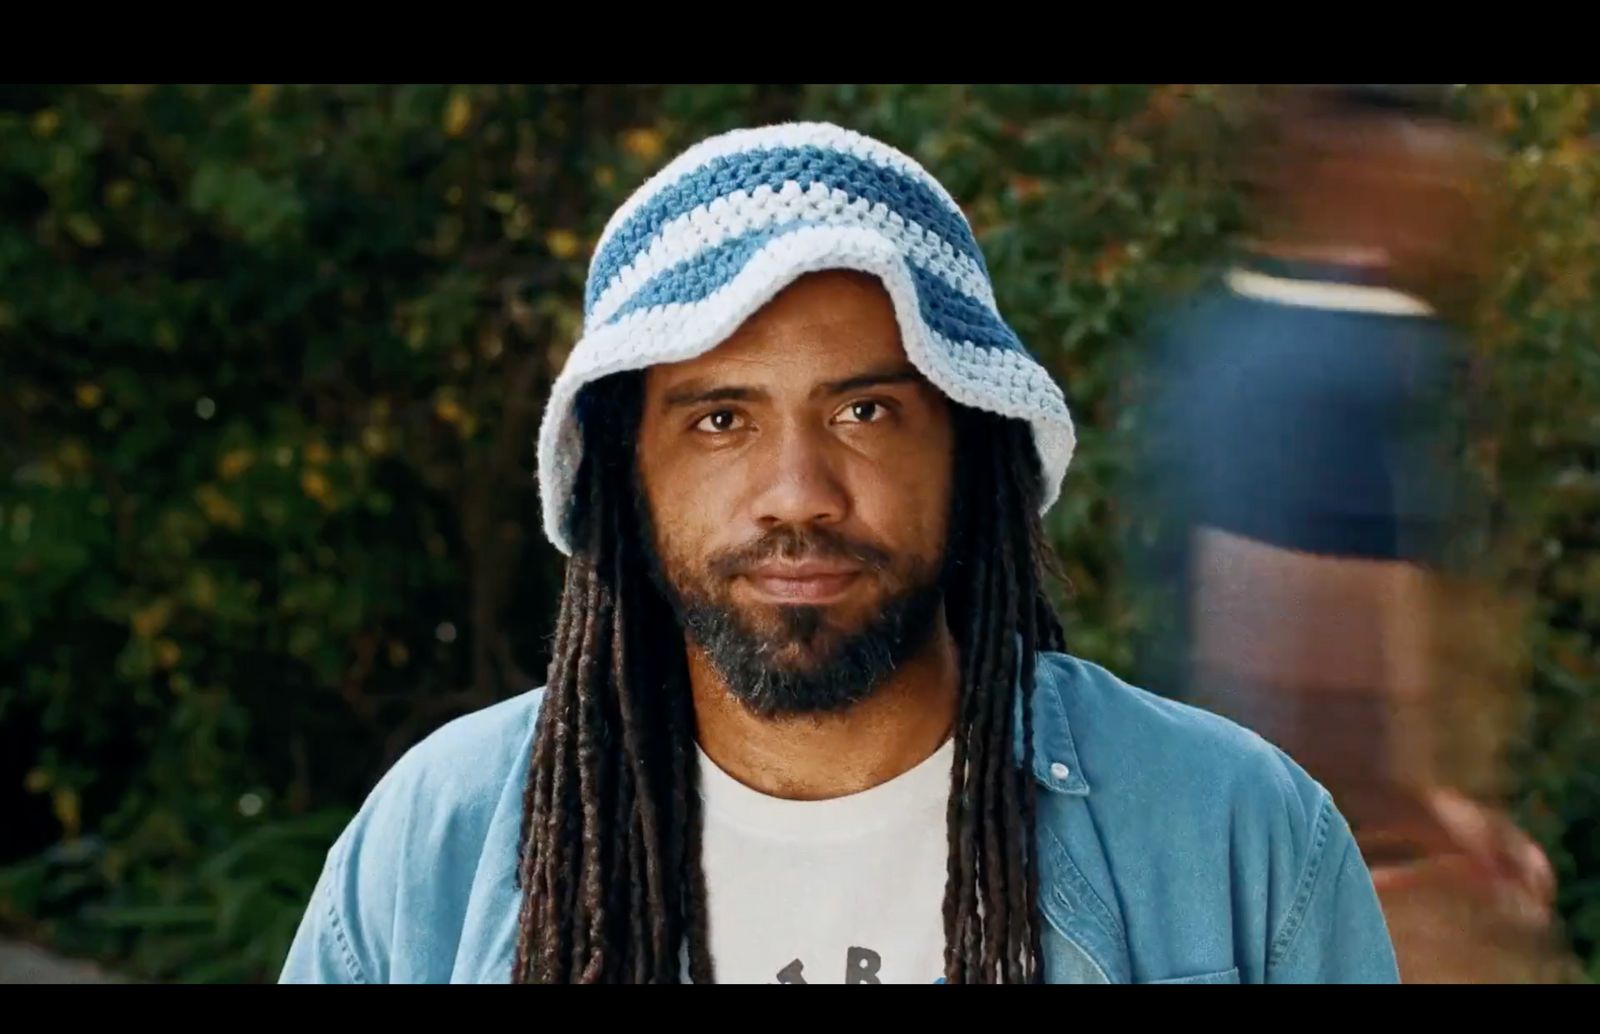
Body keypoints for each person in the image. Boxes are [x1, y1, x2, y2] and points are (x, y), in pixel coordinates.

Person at [280, 121, 1397, 984]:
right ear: (625, 473)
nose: (797, 495)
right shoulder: (441, 839)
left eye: (865, 411)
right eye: (721, 419)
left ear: (972, 446)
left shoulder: (1233, 831)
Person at [1123, 86, 1568, 982]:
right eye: (1446, 176)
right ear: (1371, 171)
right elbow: (1299, 648)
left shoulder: (1216, 338)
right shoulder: (1354, 361)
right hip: (1356, 882)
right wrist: (1444, 832)